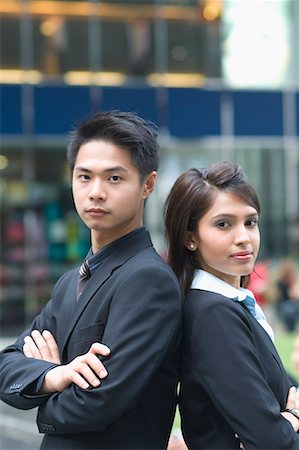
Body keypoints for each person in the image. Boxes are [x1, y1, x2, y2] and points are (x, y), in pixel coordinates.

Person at [0, 110, 182, 449]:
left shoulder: (148, 280)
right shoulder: (70, 282)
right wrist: (54, 376)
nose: (95, 192)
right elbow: (6, 362)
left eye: (114, 178)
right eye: (84, 177)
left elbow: (97, 403)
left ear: (148, 184)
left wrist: (42, 403)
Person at [164, 161, 299, 449]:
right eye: (223, 224)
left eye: (250, 222)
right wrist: (294, 416)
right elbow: (273, 439)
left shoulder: (230, 304)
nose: (244, 238)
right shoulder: (212, 313)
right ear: (190, 238)